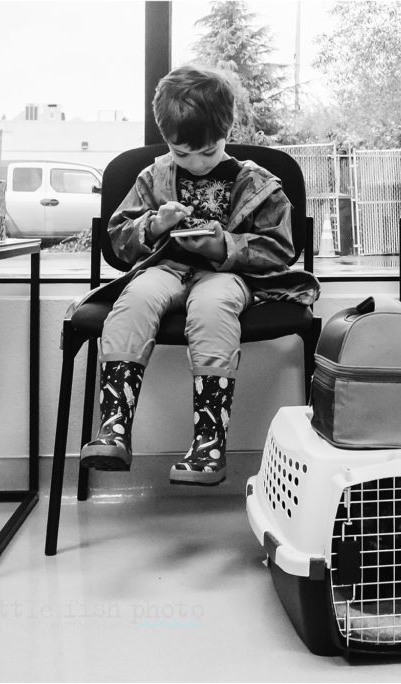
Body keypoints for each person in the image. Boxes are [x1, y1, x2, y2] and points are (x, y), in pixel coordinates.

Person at [76, 65, 319, 485]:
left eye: (207, 152)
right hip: (165, 268)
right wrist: (154, 224)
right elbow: (118, 240)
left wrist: (224, 246)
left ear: (227, 131)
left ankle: (209, 442)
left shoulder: (257, 183)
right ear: (167, 139)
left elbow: (280, 248)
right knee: (136, 298)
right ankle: (114, 426)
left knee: (212, 305)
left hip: (225, 277)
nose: (196, 163)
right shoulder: (154, 176)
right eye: (182, 153)